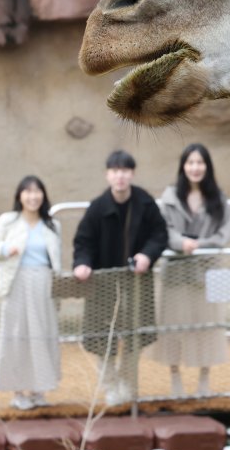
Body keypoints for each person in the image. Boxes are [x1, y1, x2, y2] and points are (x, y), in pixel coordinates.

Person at [72, 150, 168, 405]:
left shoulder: (146, 203)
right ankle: (110, 385)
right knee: (102, 340)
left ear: (132, 174)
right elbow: (83, 242)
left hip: (137, 283)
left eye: (125, 170)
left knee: (136, 336)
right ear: (108, 175)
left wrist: (147, 255)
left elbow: (160, 235)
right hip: (103, 285)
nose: (120, 176)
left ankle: (127, 382)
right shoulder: (97, 207)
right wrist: (82, 264)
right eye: (115, 171)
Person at [153, 143, 230, 398]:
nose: (195, 168)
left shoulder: (218, 199)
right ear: (183, 166)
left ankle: (204, 381)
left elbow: (224, 233)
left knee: (207, 326)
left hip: (207, 270)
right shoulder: (170, 196)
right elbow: (162, 229)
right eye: (190, 163)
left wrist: (199, 245)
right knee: (173, 325)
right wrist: (180, 243)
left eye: (200, 163)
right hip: (176, 269)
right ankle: (175, 379)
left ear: (207, 167)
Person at [0, 175, 61, 411]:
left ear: (43, 195)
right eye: (27, 192)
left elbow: (56, 259)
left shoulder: (52, 225)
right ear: (19, 196)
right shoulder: (9, 220)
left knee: (42, 334)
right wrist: (6, 249)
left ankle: (38, 389)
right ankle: (18, 391)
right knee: (16, 336)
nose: (33, 196)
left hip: (43, 283)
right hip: (15, 283)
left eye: (37, 192)